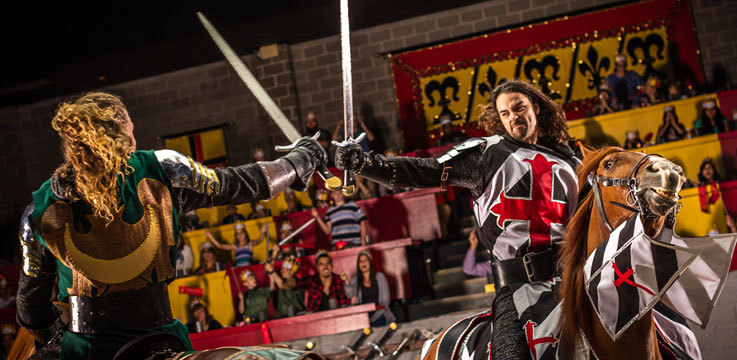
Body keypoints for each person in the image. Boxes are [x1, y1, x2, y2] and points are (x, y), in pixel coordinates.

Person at [16, 92, 327, 358]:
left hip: (87, 348)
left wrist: (58, 337)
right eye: (130, 124)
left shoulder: (38, 211)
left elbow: (32, 312)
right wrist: (303, 159)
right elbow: (245, 184)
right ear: (123, 128)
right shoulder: (163, 170)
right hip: (161, 335)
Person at [337, 79, 582, 359]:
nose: (513, 117)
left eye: (519, 108)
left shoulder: (572, 163)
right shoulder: (486, 154)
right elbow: (424, 170)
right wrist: (365, 163)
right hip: (517, 291)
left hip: (570, 281)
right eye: (505, 113)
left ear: (535, 106)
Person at [343, 251, 396, 327]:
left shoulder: (380, 277)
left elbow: (385, 302)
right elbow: (349, 295)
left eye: (365, 260)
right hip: (363, 318)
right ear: (358, 265)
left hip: (380, 315)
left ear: (370, 262)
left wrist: (372, 319)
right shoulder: (355, 280)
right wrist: (347, 282)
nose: (363, 263)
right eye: (360, 261)